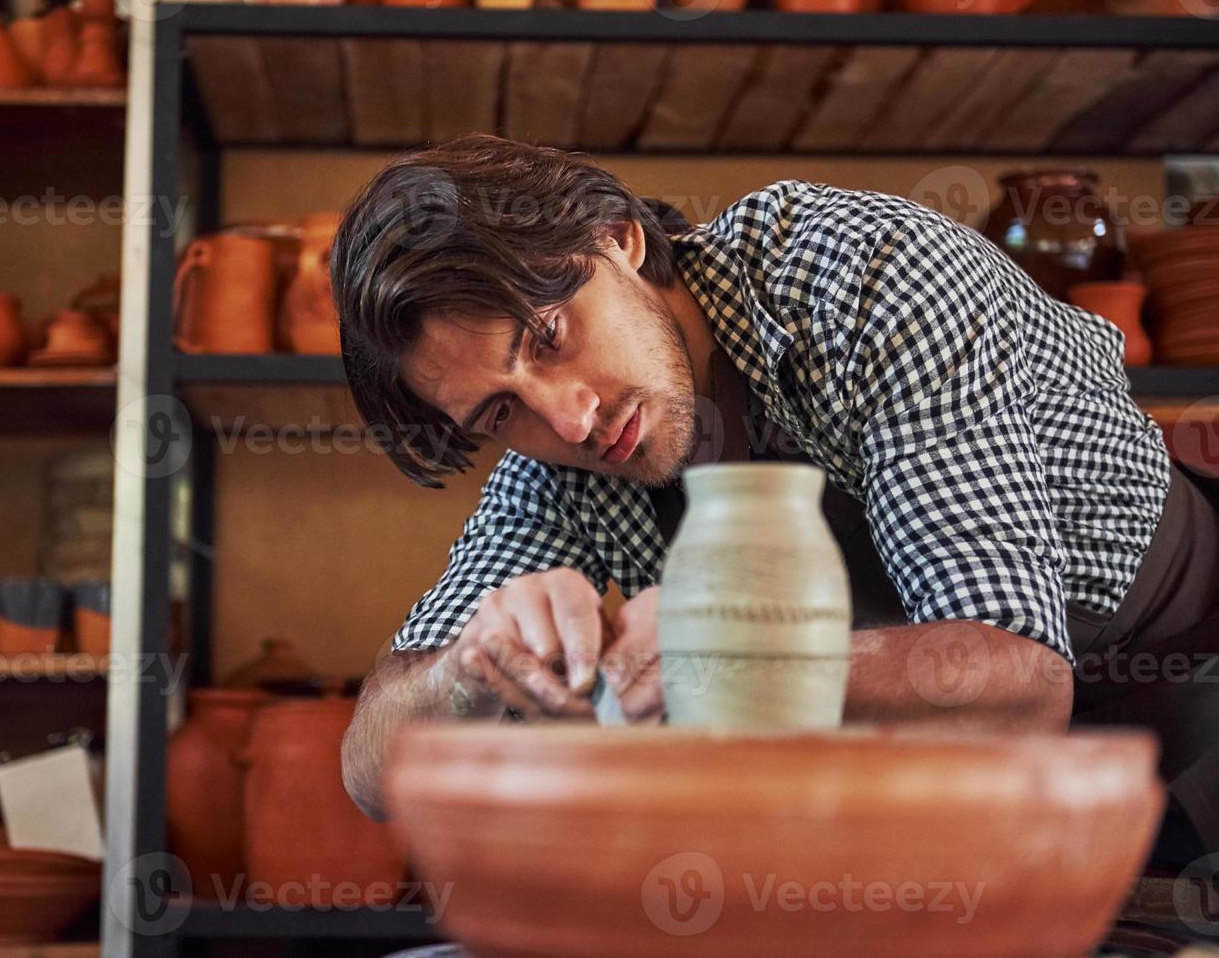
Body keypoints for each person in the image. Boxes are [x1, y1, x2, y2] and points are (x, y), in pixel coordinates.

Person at [329, 134, 1218, 874]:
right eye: (500, 410)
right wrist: (473, 664)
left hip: (1172, 689)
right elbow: (373, 770)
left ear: (618, 237)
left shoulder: (869, 279)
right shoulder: (557, 465)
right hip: (942, 772)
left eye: (551, 336)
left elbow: (1021, 682)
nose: (570, 416)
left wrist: (727, 666)